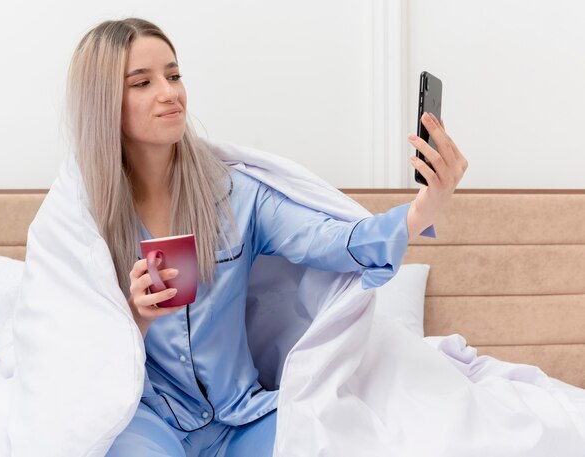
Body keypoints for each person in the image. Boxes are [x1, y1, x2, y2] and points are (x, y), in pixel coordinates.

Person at [66, 17, 467, 457]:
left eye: (174, 75)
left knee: (325, 442)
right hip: (148, 419)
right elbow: (73, 346)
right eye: (142, 83)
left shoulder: (237, 195)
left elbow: (333, 241)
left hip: (242, 416)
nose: (169, 92)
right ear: (105, 103)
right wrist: (136, 317)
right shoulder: (84, 219)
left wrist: (421, 210)